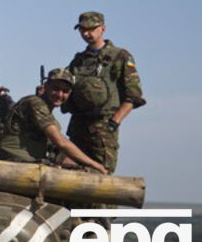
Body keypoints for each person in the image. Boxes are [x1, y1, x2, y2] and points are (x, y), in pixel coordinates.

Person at [62, 12, 145, 174]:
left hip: (103, 127)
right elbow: (66, 87)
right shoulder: (79, 60)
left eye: (91, 29)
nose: (86, 33)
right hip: (78, 126)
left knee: (101, 175)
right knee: (68, 171)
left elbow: (134, 95)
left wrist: (114, 121)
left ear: (102, 29)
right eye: (82, 30)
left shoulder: (120, 56)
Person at [0, 68, 108, 174]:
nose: (60, 94)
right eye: (56, 88)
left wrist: (88, 168)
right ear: (46, 86)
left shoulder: (53, 121)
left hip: (31, 163)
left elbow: (58, 153)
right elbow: (60, 142)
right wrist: (93, 164)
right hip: (16, 162)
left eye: (65, 91)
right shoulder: (35, 103)